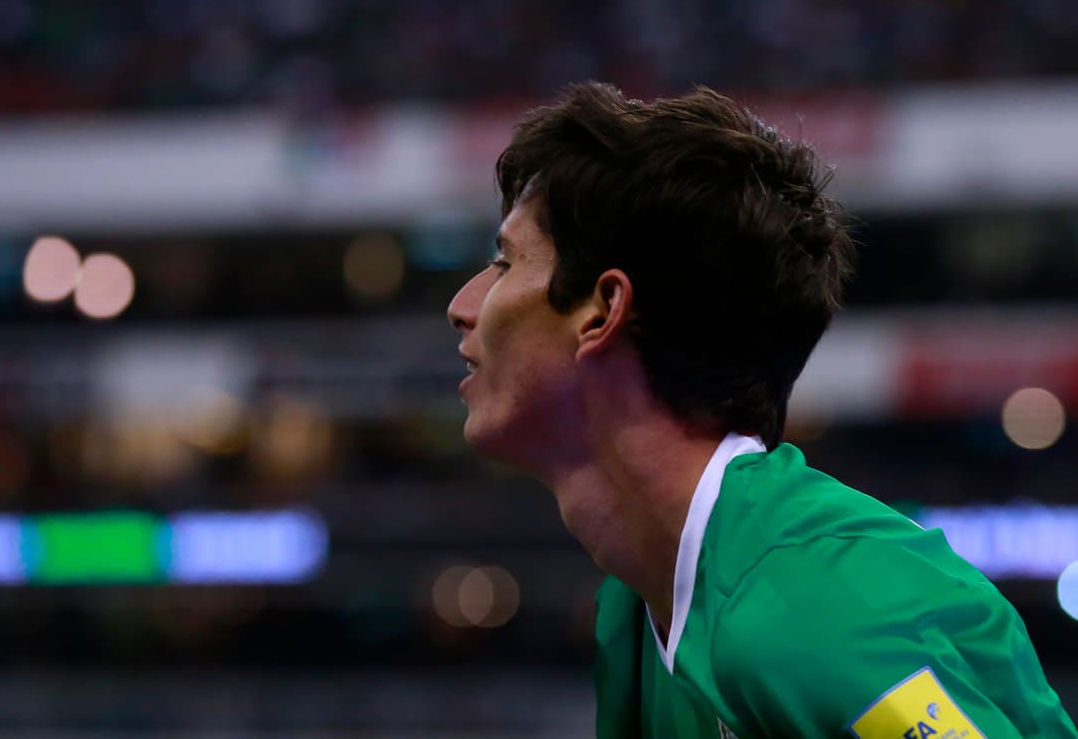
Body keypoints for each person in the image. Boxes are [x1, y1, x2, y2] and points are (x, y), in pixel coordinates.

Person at [446, 82, 1077, 738]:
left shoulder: (812, 614)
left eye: (504, 261)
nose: (462, 304)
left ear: (603, 309)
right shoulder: (639, 603)